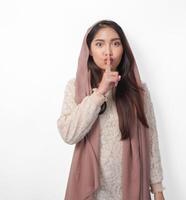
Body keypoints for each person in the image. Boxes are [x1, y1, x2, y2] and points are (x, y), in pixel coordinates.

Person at [57, 19, 166, 200]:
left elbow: (151, 140)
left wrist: (158, 189)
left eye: (115, 43)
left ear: (123, 49)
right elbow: (69, 134)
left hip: (130, 187)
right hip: (92, 191)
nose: (108, 51)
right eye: (100, 44)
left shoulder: (139, 92)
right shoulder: (75, 88)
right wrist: (100, 92)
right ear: (89, 51)